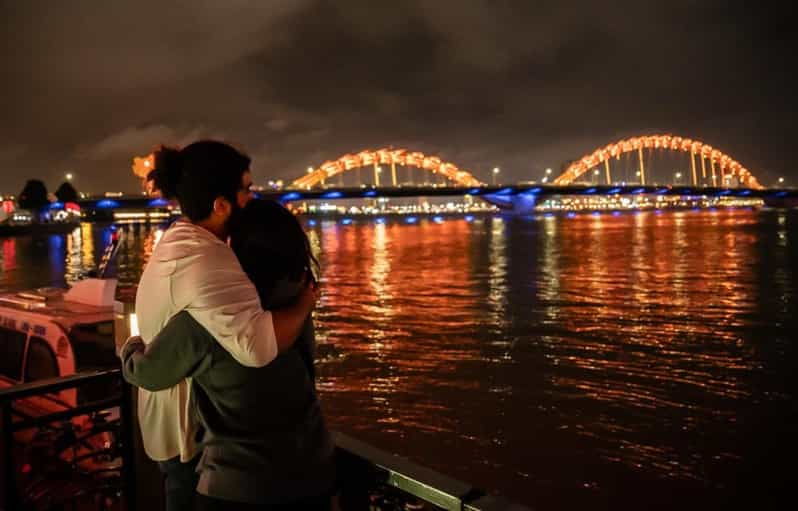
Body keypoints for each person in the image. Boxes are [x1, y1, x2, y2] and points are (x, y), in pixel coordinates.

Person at [129, 141, 318, 510]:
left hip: (190, 437)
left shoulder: (183, 242)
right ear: (220, 205)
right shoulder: (207, 259)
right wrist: (305, 304)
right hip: (190, 443)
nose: (253, 196)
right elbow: (257, 348)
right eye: (246, 188)